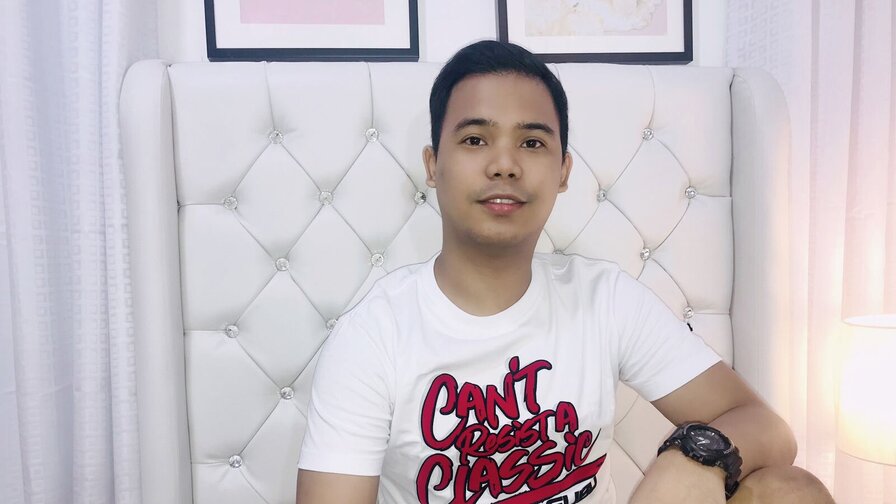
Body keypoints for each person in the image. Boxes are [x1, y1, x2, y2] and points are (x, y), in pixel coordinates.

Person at [295, 40, 834, 504]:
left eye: (532, 143)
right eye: (475, 139)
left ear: (563, 172)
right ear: (434, 166)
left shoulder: (605, 299)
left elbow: (767, 428)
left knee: (791, 490)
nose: (504, 165)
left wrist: (692, 457)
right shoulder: (374, 335)